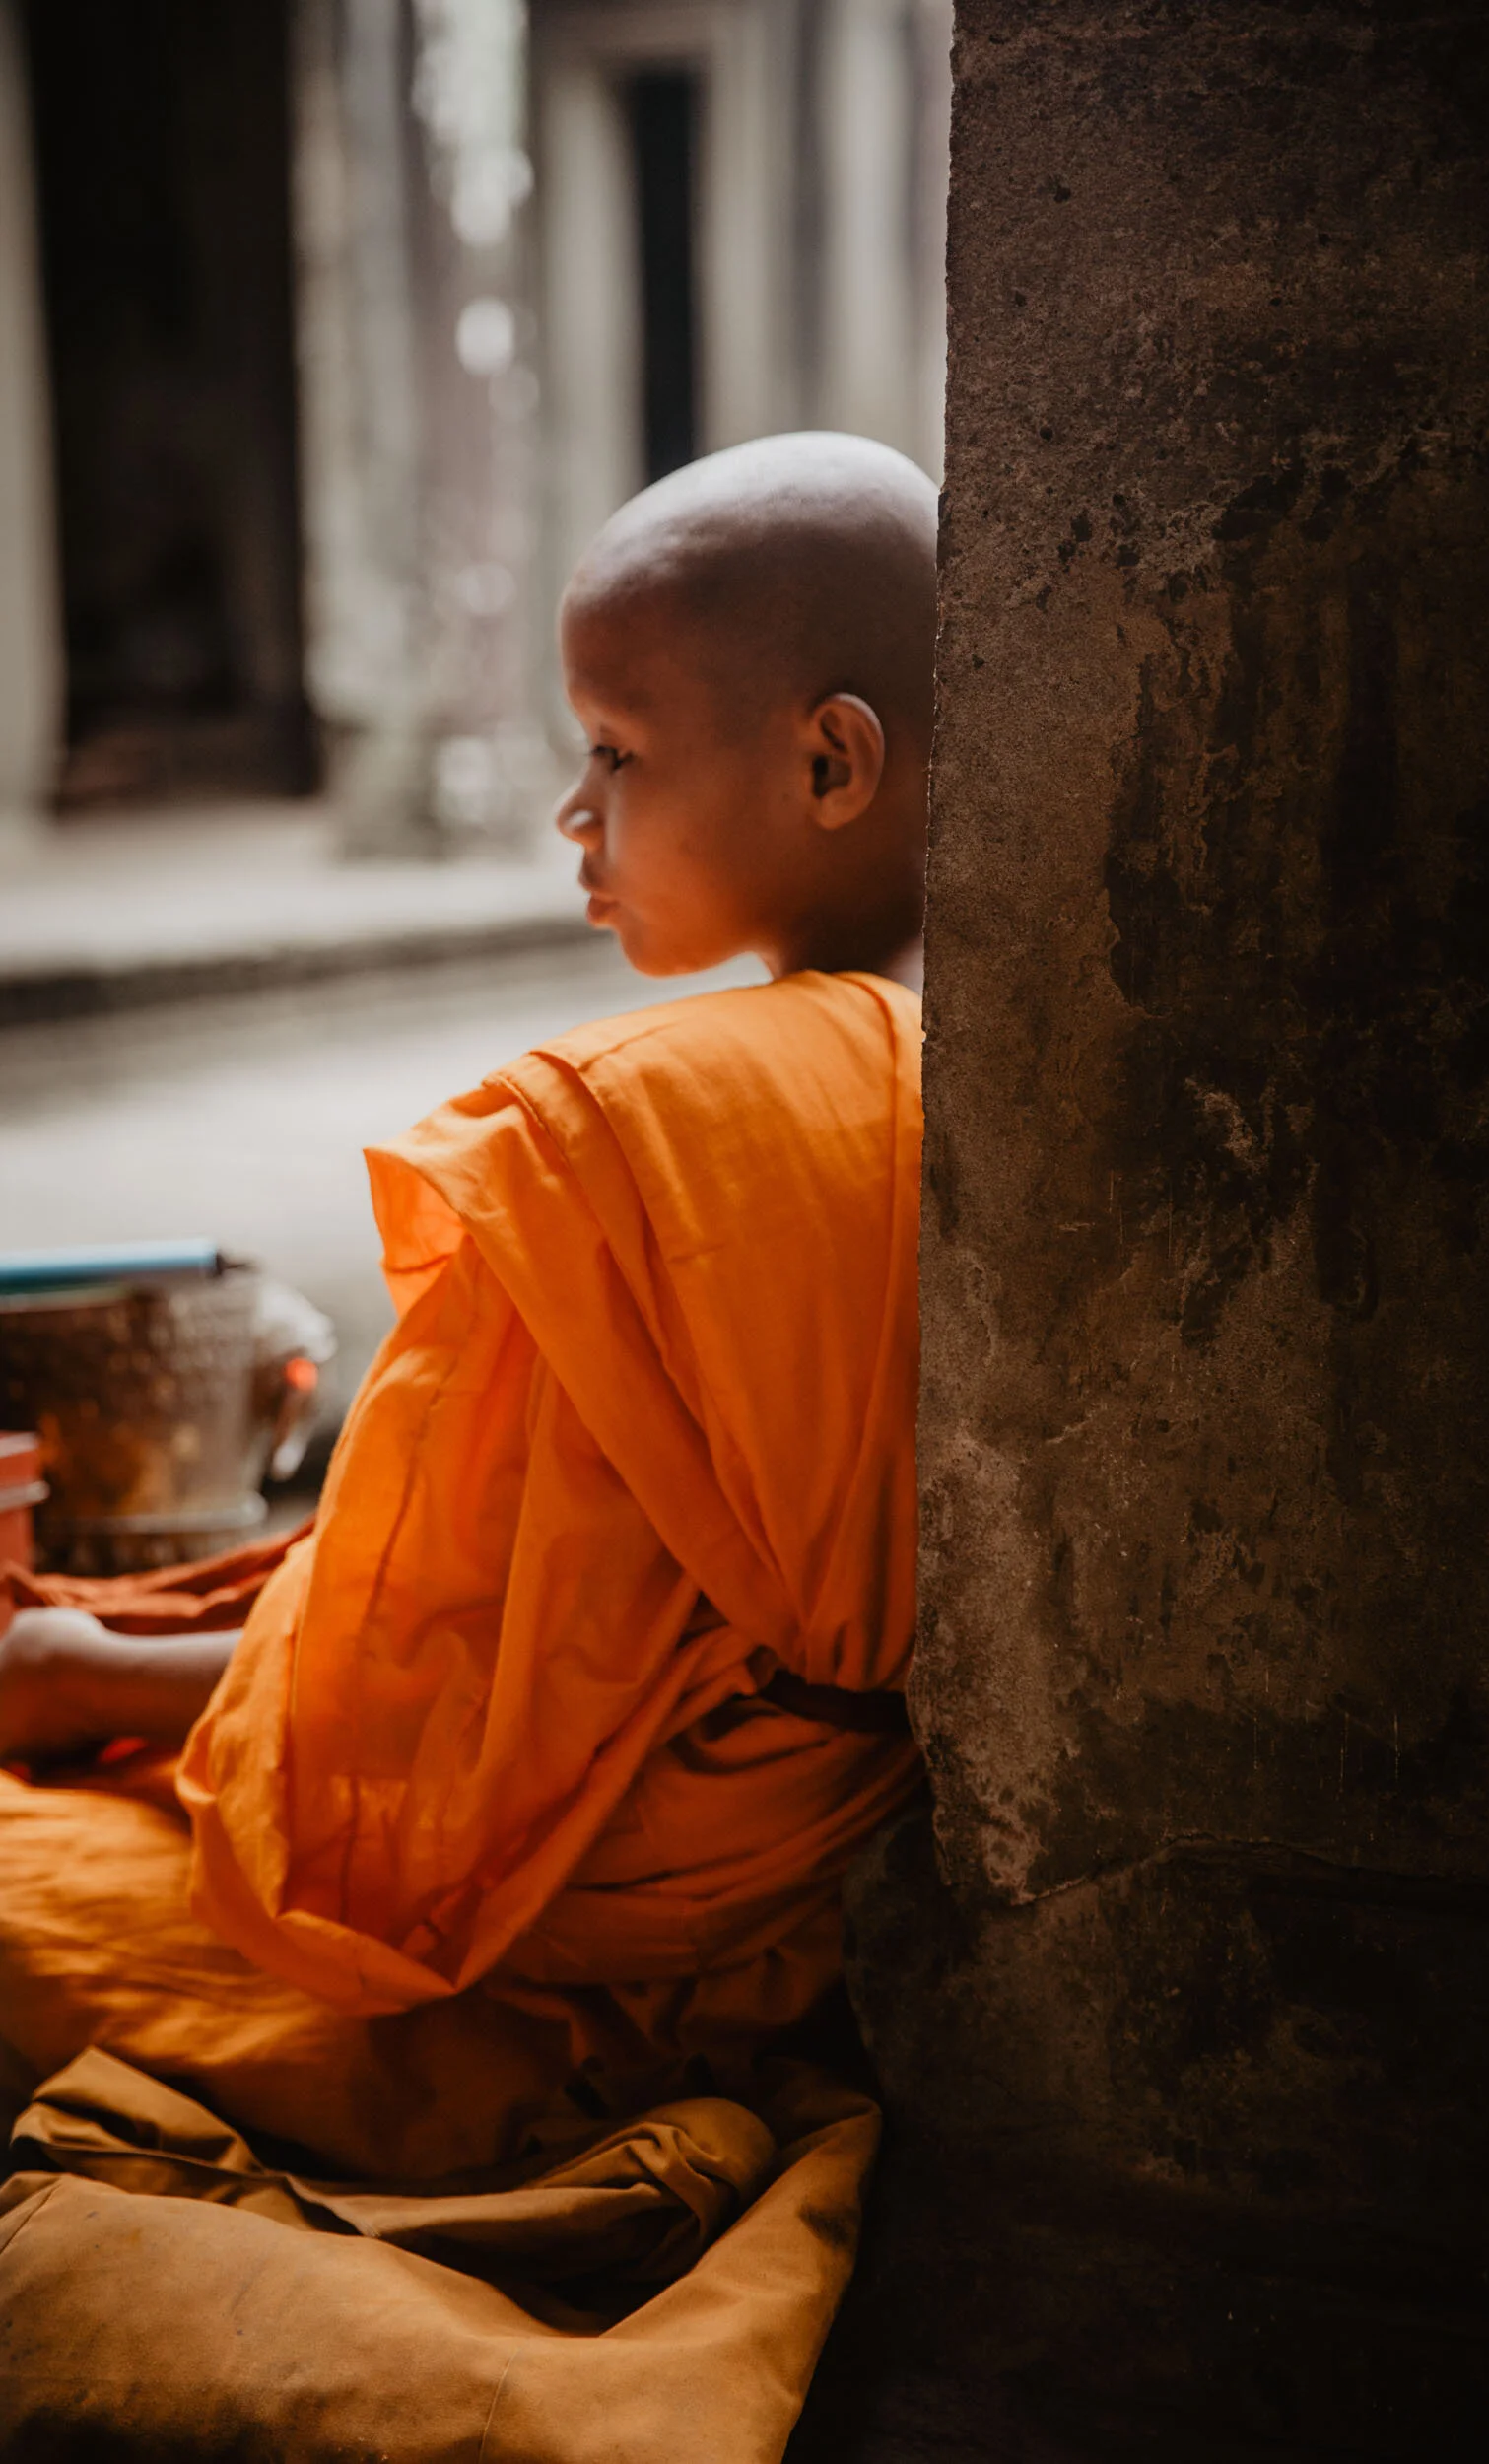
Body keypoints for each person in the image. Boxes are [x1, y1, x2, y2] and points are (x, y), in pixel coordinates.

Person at [0, 432, 934, 2462]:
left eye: (612, 751)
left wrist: (90, 1674)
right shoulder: (943, 1057)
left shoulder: (644, 1129)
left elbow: (400, 1762)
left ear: (830, 764)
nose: (566, 813)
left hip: (565, 1933)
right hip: (734, 1849)